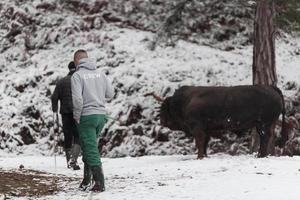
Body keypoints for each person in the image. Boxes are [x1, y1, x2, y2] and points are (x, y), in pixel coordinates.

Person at [71, 49, 114, 192]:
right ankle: (86, 179)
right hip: (101, 116)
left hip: (86, 116)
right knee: (88, 145)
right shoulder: (100, 74)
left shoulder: (77, 76)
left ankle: (99, 182)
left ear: (77, 61)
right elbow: (110, 94)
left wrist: (77, 116)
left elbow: (77, 99)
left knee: (90, 148)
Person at [51, 61, 81, 170]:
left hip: (65, 113)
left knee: (68, 136)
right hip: (78, 112)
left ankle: (69, 161)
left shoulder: (61, 82)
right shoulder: (79, 81)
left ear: (69, 69)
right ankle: (74, 160)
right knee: (78, 136)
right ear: (76, 68)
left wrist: (55, 112)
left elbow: (54, 97)